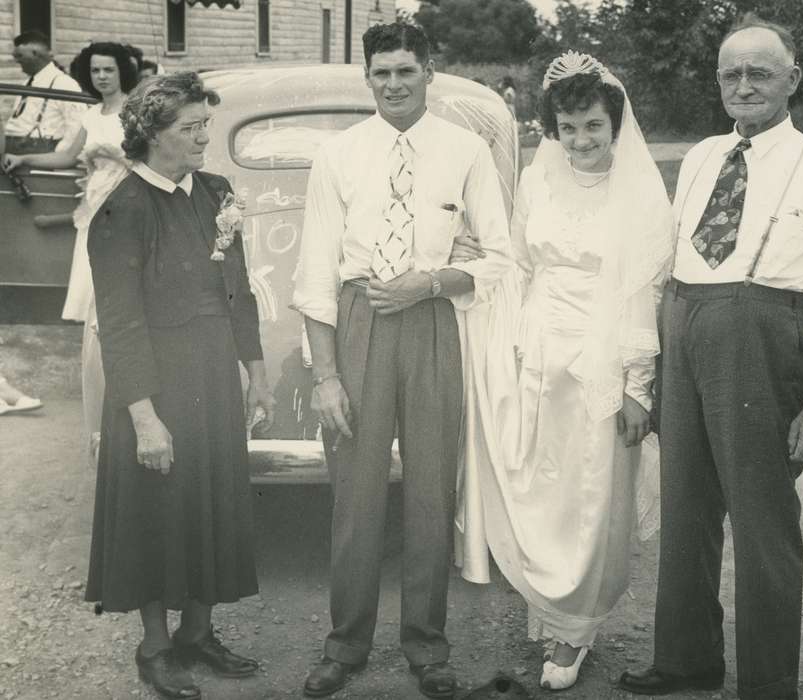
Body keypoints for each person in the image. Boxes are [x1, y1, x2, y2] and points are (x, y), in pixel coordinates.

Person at [619, 14, 803, 700]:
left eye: (759, 72)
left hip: (760, 338)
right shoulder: (701, 156)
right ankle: (685, 660)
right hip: (686, 327)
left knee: (762, 521)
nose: (743, 85)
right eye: (730, 73)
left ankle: (767, 681)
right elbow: (664, 262)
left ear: (792, 79)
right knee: (686, 510)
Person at [293, 22, 512, 699]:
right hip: (359, 323)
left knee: (427, 493)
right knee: (355, 497)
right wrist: (326, 375)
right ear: (367, 77)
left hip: (433, 322)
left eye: (405, 71)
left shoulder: (465, 150)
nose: (393, 83)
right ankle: (345, 644)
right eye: (381, 72)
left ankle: (426, 645)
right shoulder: (338, 154)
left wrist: (434, 281)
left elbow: (502, 258)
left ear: (429, 71)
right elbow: (313, 275)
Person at [450, 51, 674, 691]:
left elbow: (643, 291)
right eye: (568, 128)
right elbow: (517, 262)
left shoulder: (638, 192)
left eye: (593, 127)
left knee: (592, 492)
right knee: (542, 487)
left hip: (602, 354)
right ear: (553, 128)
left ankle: (575, 631)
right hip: (537, 346)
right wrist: (479, 269)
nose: (580, 141)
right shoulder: (536, 180)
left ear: (615, 125)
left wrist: (636, 386)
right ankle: (551, 613)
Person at [84, 72, 275, 700]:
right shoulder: (121, 211)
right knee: (157, 511)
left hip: (212, 380)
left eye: (204, 124)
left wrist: (255, 372)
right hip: (155, 388)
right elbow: (119, 324)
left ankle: (198, 632)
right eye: (190, 128)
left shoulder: (215, 192)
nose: (203, 137)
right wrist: (143, 417)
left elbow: (237, 291)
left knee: (211, 503)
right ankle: (156, 646)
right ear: (152, 134)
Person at [4, 41, 137, 461]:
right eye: (95, 71)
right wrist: (21, 160)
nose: (101, 77)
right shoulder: (90, 114)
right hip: (95, 212)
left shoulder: (134, 112)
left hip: (130, 212)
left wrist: (113, 152)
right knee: (95, 311)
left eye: (109, 71)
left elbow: (148, 159)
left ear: (122, 72)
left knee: (123, 302)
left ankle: (132, 390)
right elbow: (65, 156)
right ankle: (103, 396)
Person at [3, 31, 85, 155]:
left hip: (38, 153)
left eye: (19, 56)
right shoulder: (26, 83)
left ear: (35, 54)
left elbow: (77, 127)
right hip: (12, 150)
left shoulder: (63, 83)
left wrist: (56, 156)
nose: (16, 61)